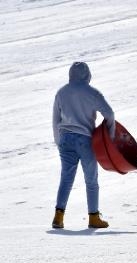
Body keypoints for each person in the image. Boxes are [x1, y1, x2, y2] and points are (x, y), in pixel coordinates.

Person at [51, 61, 115, 229]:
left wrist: (59, 141)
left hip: (65, 139)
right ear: (88, 75)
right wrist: (110, 135)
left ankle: (58, 217)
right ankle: (94, 218)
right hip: (86, 140)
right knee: (91, 180)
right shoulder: (92, 93)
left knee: (66, 179)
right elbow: (109, 113)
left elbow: (56, 120)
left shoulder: (61, 93)